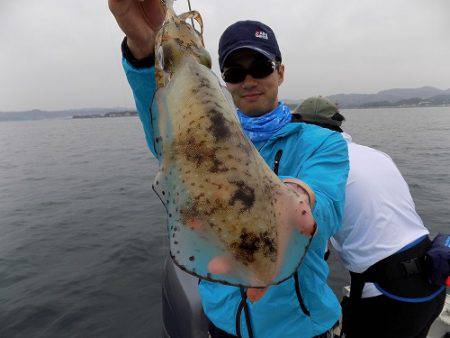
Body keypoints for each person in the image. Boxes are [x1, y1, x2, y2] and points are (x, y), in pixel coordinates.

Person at [108, 1, 349, 337]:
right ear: (225, 80)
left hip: (298, 328)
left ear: (280, 71)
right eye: (236, 72)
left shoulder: (321, 142)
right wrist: (147, 55)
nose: (249, 80)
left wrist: (298, 198)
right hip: (221, 322)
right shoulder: (204, 139)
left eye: (260, 67)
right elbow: (170, 145)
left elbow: (325, 201)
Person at [297, 96, 447, 338]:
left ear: (302, 131)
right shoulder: (376, 155)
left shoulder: (319, 168)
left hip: (386, 294)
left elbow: (313, 247)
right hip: (430, 282)